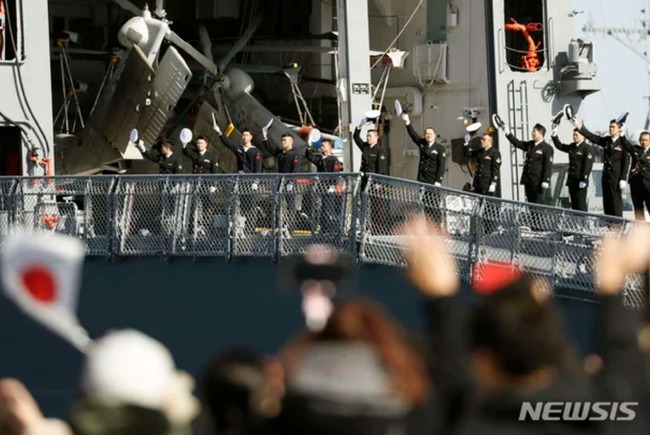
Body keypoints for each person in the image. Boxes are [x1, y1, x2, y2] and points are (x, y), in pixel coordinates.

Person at [397, 216, 650, 435]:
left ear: (485, 361)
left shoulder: (468, 423)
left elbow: (453, 382)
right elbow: (623, 358)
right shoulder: (609, 416)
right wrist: (613, 281)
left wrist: (441, 296)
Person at [573, 117, 631, 217]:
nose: (611, 129)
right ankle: (608, 223)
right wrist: (579, 126)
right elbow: (592, 137)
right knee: (607, 202)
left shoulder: (623, 142)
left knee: (615, 202)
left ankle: (617, 224)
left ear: (619, 128)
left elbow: (626, 161)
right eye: (610, 127)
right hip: (606, 176)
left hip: (616, 177)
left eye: (613, 127)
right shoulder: (607, 141)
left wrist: (623, 178)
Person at [495, 117, 554, 204]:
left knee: (538, 204)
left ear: (541, 133)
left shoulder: (547, 148)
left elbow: (548, 166)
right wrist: (507, 132)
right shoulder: (530, 144)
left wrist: (546, 180)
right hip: (528, 180)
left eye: (534, 131)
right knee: (530, 204)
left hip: (538, 181)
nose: (532, 133)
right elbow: (517, 143)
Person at [550, 125, 594, 212]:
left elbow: (587, 165)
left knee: (580, 204)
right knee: (574, 205)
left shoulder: (587, 148)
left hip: (580, 180)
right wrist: (554, 134)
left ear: (583, 136)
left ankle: (583, 220)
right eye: (573, 135)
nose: (574, 137)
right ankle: (576, 220)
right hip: (572, 180)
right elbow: (560, 146)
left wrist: (584, 179)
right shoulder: (572, 146)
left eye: (576, 135)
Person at [400, 113, 446, 186]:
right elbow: (413, 134)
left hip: (432, 179)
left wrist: (438, 180)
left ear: (434, 135)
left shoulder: (440, 148)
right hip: (422, 177)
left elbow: (441, 166)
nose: (429, 136)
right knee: (422, 193)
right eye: (427, 134)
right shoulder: (422, 144)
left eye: (431, 134)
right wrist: (407, 122)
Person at [619, 130, 650, 220]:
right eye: (642, 140)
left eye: (646, 140)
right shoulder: (636, 150)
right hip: (636, 184)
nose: (643, 142)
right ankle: (641, 227)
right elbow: (626, 145)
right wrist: (622, 134)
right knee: (638, 209)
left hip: (648, 185)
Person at [353, 119, 389, 191]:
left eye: (370, 136)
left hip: (373, 180)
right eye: (367, 136)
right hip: (364, 178)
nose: (368, 138)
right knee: (363, 195)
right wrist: (360, 125)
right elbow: (356, 137)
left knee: (372, 197)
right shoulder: (365, 147)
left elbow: (381, 168)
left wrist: (379, 182)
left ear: (376, 137)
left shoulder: (379, 150)